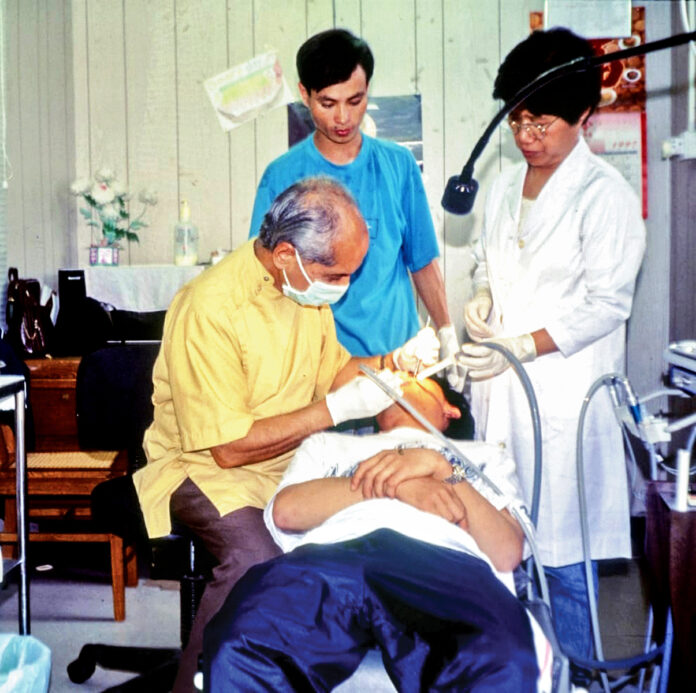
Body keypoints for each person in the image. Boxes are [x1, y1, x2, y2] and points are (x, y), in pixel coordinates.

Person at [133, 177, 428, 692]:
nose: (342, 286)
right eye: (336, 275)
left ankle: (279, 676)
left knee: (358, 531)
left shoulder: (303, 290)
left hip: (286, 458)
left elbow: (334, 373)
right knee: (258, 559)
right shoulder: (211, 307)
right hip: (202, 467)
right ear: (286, 254)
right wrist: (335, 410)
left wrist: (390, 365)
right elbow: (228, 448)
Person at [456, 27, 646, 664]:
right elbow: (488, 263)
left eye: (542, 122)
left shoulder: (605, 196)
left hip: (566, 401)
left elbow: (606, 305)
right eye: (517, 119)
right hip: (503, 399)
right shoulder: (506, 186)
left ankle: (581, 674)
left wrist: (523, 344)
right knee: (503, 556)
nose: (526, 135)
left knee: (565, 564)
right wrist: (483, 298)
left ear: (584, 115)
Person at [204, 376, 553, 692]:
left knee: (504, 663)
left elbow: (506, 551)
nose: (401, 382)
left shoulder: (482, 456)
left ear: (449, 409)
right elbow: (287, 511)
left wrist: (440, 467)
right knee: (243, 646)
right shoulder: (327, 445)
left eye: (419, 380)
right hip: (333, 554)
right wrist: (400, 488)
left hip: (444, 563)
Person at [247, 28, 459, 375]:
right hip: (321, 370)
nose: (343, 118)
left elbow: (422, 260)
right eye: (328, 104)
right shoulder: (281, 176)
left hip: (399, 358)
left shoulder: (398, 166)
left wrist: (446, 329)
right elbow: (263, 277)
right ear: (304, 94)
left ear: (367, 90)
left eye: (355, 101)